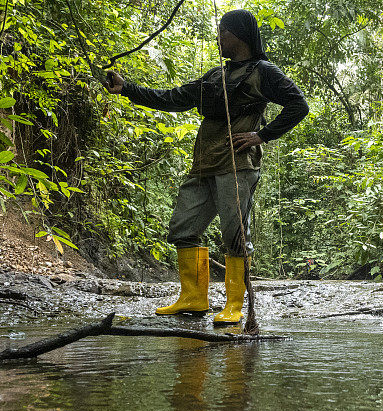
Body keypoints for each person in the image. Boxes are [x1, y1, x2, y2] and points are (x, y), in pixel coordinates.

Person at [104, 9, 308, 325]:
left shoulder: (263, 71)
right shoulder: (215, 76)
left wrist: (261, 135)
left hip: (237, 164)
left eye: (222, 33)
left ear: (237, 34)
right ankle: (193, 298)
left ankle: (234, 306)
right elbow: (172, 98)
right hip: (205, 162)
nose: (218, 39)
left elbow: (298, 105)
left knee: (234, 234)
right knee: (183, 227)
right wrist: (127, 88)